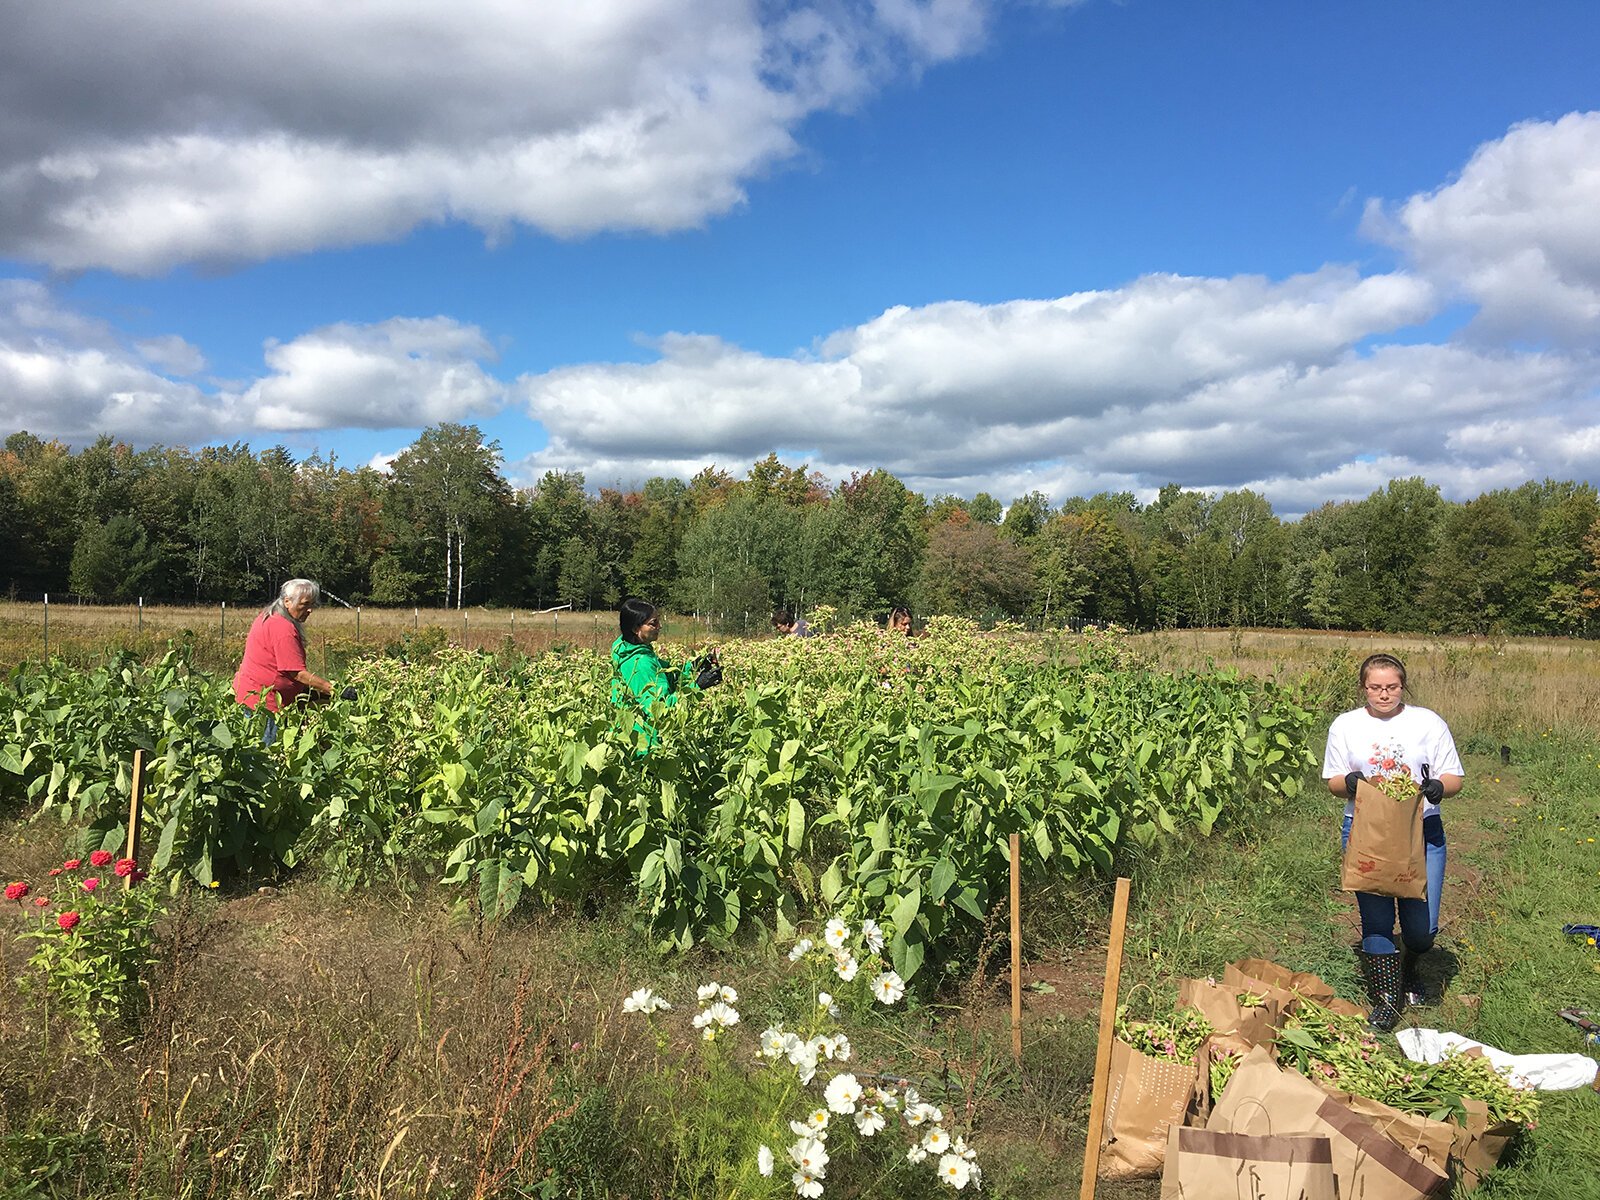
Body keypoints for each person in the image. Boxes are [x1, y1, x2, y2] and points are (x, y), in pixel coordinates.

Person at [1322, 652, 1463, 1031]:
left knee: (1422, 928)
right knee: (1377, 920)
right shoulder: (1346, 725)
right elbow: (1334, 781)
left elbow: (1454, 777)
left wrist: (1437, 787)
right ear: (1363, 688)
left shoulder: (1427, 722)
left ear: (1403, 686)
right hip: (1367, 834)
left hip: (1422, 834)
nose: (1384, 694)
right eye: (1375, 687)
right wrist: (1350, 783)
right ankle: (1386, 1000)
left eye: (1392, 686)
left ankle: (1411, 961)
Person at [232, 578, 335, 744]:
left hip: (252, 694)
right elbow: (296, 673)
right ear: (287, 601)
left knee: (253, 746)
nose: (309, 610)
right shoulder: (283, 629)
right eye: (305, 604)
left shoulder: (270, 616)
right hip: (266, 703)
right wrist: (333, 689)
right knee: (266, 754)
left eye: (312, 605)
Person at [610, 598, 722, 749]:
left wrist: (695, 666)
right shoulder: (640, 663)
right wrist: (697, 686)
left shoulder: (627, 650)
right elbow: (660, 710)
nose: (659, 626)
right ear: (636, 629)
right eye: (653, 623)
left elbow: (669, 674)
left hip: (628, 738)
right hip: (643, 744)